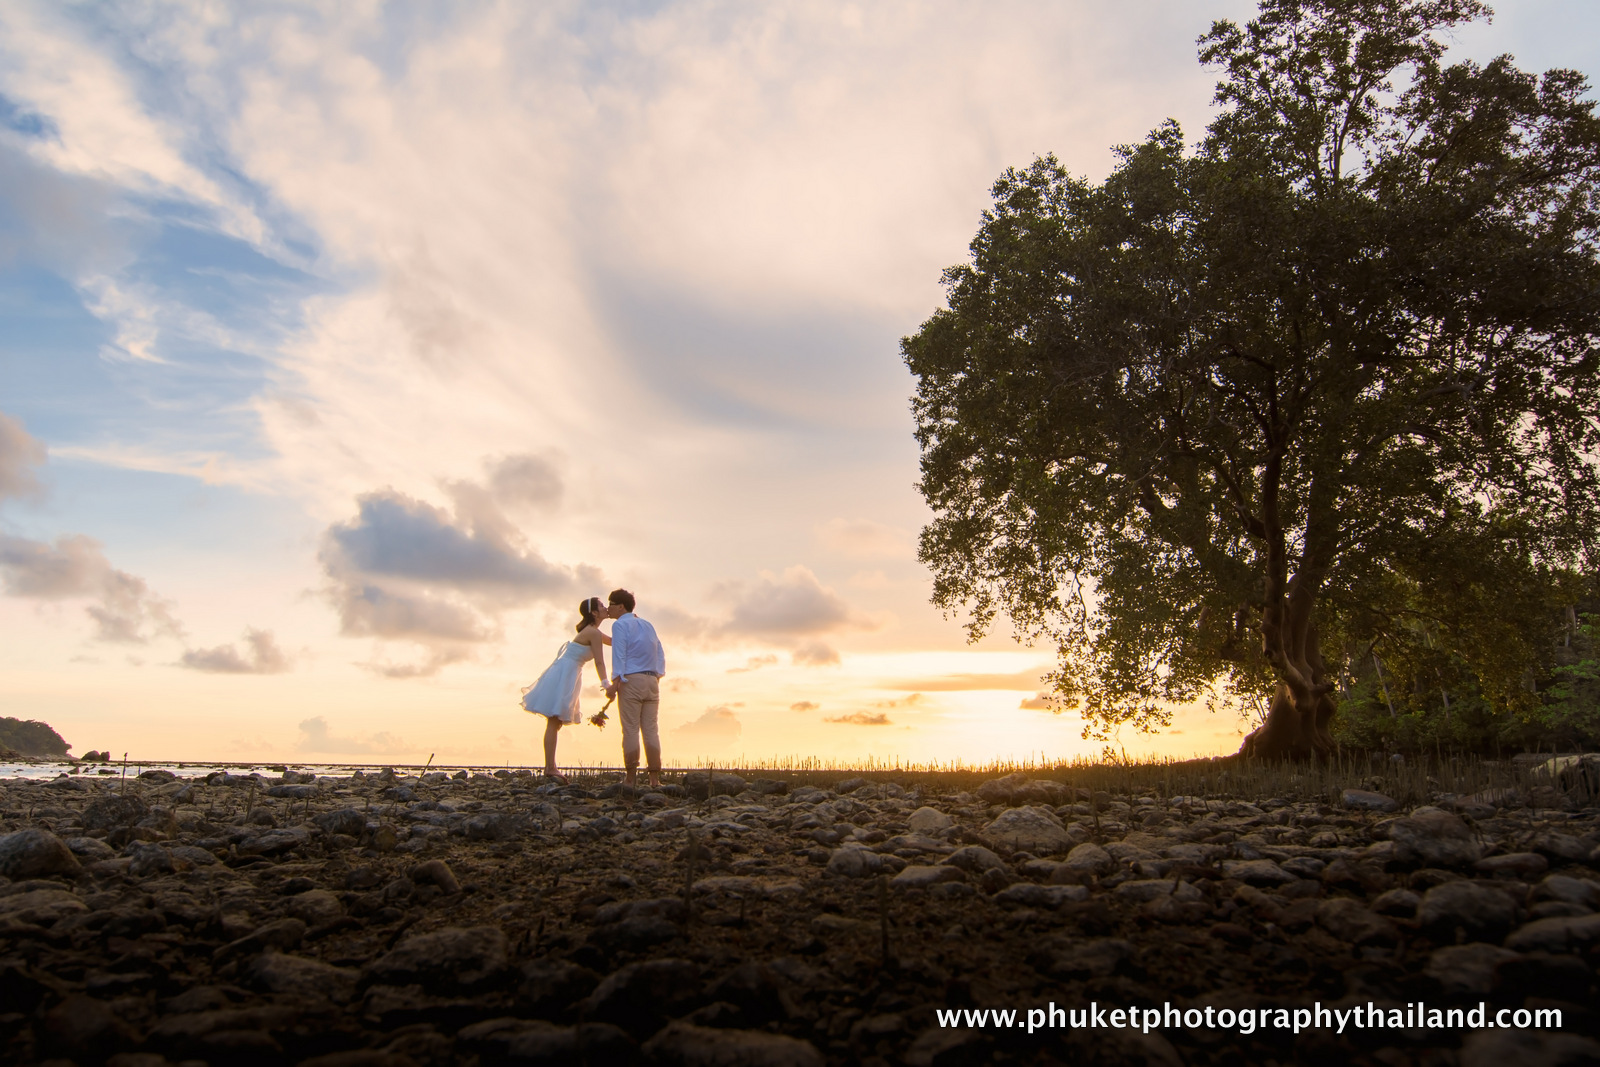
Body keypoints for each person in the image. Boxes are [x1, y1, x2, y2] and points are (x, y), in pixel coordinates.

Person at [520, 596, 611, 783]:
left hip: (569, 673)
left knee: (556, 723)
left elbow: (614, 641)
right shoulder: (592, 633)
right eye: (602, 606)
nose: (605, 607)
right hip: (565, 674)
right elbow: (600, 661)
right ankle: (550, 767)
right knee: (554, 722)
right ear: (594, 612)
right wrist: (605, 683)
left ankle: (550, 766)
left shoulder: (594, 632)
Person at [604, 588, 666, 788]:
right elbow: (660, 651)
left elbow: (619, 654)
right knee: (651, 729)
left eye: (611, 604)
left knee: (630, 729)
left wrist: (615, 682)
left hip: (631, 679)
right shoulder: (647, 624)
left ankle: (631, 778)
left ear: (621, 606)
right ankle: (654, 779)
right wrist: (658, 674)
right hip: (651, 680)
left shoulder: (620, 625)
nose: (608, 608)